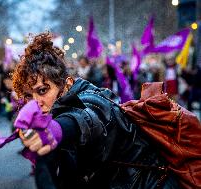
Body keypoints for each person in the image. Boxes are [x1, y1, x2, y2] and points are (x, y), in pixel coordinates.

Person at [11, 32, 179, 188]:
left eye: (42, 90)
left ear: (67, 84)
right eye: (28, 95)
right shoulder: (51, 115)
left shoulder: (93, 99)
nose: (35, 102)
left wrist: (55, 130)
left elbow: (87, 118)